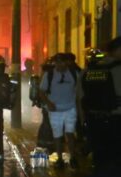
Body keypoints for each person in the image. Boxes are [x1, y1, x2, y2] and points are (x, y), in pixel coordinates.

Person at [81, 38, 121, 169]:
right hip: (116, 119)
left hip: (93, 120)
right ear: (117, 50)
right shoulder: (117, 69)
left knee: (99, 157)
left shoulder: (87, 72)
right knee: (116, 158)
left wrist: (82, 122)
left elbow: (80, 99)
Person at [39, 54, 81, 169]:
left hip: (70, 108)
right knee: (57, 135)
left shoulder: (73, 74)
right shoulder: (49, 75)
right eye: (57, 62)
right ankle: (59, 159)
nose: (59, 64)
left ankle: (73, 158)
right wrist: (48, 103)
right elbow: (41, 91)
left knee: (70, 134)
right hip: (55, 110)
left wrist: (79, 108)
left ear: (66, 62)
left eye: (61, 62)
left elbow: (78, 91)